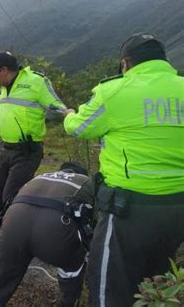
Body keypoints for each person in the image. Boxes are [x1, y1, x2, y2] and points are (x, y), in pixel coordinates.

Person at [63, 33, 184, 307]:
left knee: (109, 285)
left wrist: (69, 114)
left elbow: (78, 128)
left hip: (128, 210)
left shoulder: (113, 91)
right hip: (178, 208)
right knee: (159, 277)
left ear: (125, 64)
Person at [0, 51, 67, 258]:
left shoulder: (36, 82)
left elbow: (56, 105)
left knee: (10, 199)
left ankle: (10, 245)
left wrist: (70, 115)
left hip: (27, 152)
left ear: (4, 70)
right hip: (5, 150)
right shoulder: (5, 88)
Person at [0, 162, 95, 307]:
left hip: (15, 222)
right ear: (83, 173)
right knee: (74, 261)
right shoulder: (87, 182)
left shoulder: (41, 177)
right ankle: (69, 302)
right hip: (56, 230)